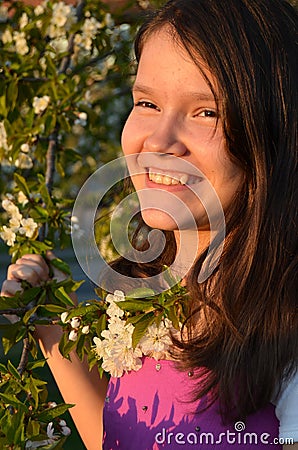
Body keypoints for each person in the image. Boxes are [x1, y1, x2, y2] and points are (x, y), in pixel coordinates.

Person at [1, 0, 297, 449]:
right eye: (147, 102)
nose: (159, 140)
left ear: (272, 127)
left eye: (206, 112)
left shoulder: (283, 326)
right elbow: (124, 436)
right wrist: (53, 328)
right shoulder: (148, 292)